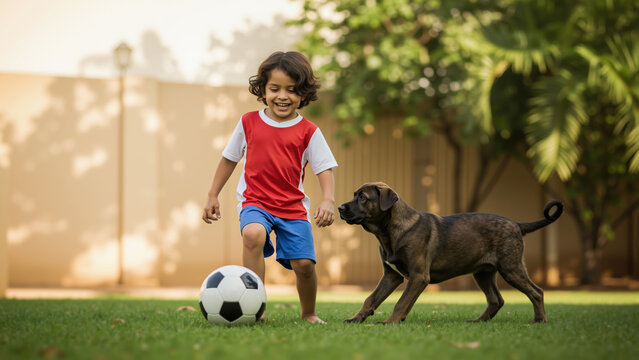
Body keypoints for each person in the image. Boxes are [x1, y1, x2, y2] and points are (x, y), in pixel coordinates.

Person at [202, 51, 337, 324]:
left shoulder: (309, 131)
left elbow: (324, 167)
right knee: (253, 234)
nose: (282, 96)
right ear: (263, 89)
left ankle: (309, 313)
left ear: (303, 93)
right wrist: (212, 194)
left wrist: (327, 200)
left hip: (292, 208)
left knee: (304, 266)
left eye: (291, 90)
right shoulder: (248, 122)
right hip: (255, 201)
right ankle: (256, 310)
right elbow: (229, 159)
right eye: (274, 89)